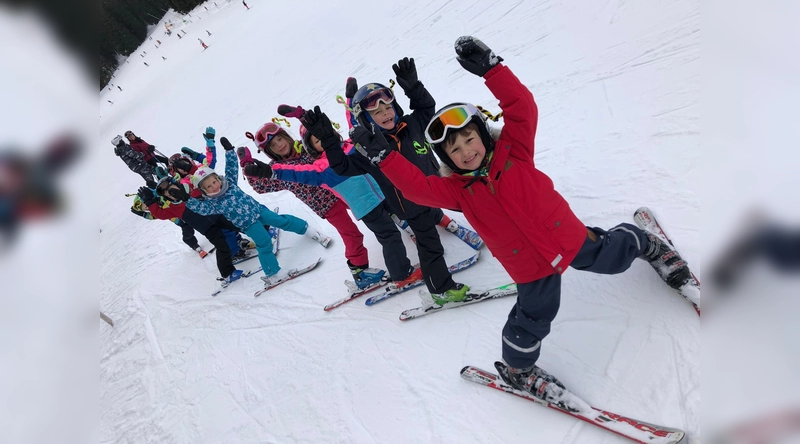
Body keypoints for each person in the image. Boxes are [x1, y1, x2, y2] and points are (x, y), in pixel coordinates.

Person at [351, 36, 694, 409]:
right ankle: (518, 369)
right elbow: (416, 188)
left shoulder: (515, 150)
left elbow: (521, 108)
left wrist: (493, 70)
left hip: (568, 239)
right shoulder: (457, 191)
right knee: (533, 316)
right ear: (445, 157)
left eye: (469, 139)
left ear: (482, 133)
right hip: (528, 267)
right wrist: (385, 157)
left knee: (611, 256)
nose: (466, 152)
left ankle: (647, 243)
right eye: (455, 149)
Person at [313, 57, 468, 298]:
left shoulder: (412, 124)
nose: (385, 113)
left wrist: (413, 87)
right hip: (411, 205)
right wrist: (331, 142)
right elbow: (342, 167)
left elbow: (426, 109)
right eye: (376, 112)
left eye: (388, 108)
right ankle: (441, 290)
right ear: (366, 119)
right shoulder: (370, 149)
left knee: (472, 202)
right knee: (431, 246)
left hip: (438, 188)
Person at [243, 109, 409, 289]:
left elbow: (321, 137)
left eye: (279, 139)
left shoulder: (306, 148)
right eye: (273, 146)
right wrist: (248, 168)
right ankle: (360, 271)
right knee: (351, 234)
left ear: (286, 137)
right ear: (269, 152)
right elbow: (261, 186)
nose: (280, 145)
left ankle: (408, 224)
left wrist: (302, 116)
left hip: (345, 188)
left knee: (381, 204)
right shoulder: (277, 168)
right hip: (327, 204)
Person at [177, 137, 332, 286]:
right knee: (264, 243)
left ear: (218, 178)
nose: (214, 186)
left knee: (281, 221)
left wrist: (229, 150)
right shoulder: (213, 203)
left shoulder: (229, 184)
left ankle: (307, 229)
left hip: (258, 211)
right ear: (204, 190)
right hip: (248, 225)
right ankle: (273, 273)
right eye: (209, 186)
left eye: (214, 181)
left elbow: (231, 167)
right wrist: (187, 199)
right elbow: (200, 208)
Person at [129, 190, 209, 258]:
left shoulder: (161, 199)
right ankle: (195, 245)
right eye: (146, 210)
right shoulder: (155, 209)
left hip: (187, 214)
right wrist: (144, 215)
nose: (148, 208)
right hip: (182, 223)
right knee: (188, 233)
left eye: (146, 206)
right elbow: (154, 216)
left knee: (203, 221)